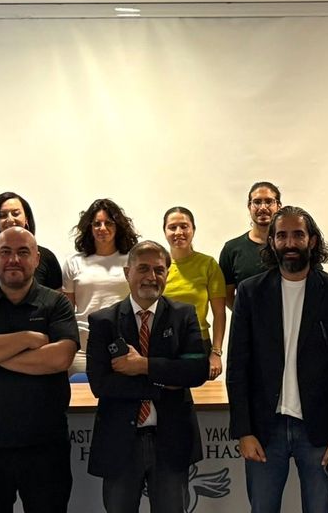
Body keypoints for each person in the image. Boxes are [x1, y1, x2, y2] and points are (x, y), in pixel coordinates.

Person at [226, 206, 328, 513]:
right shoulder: (250, 293)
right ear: (271, 242)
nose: (290, 243)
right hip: (264, 430)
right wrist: (244, 431)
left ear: (312, 240)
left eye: (298, 235)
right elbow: (237, 368)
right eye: (282, 236)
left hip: (318, 431)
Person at [0, 226, 79, 513]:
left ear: (37, 258)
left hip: (46, 447)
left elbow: (60, 358)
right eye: (5, 252)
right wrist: (26, 339)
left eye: (23, 252)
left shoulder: (56, 303)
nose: (14, 260)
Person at [86, 240, 211, 513]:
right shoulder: (103, 321)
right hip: (120, 444)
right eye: (143, 268)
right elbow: (101, 384)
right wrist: (164, 382)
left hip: (172, 442)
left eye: (159, 270)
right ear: (127, 272)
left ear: (167, 273)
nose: (151, 276)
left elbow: (196, 371)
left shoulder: (184, 315)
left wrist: (143, 366)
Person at [62, 198, 140, 375]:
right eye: (97, 224)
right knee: (81, 391)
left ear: (118, 226)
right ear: (89, 228)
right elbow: (67, 311)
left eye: (108, 223)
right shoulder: (74, 262)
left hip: (124, 344)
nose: (102, 228)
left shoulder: (132, 260)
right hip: (83, 347)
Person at [162, 206, 227, 379]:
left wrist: (216, 353)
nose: (178, 232)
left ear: (193, 229)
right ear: (164, 231)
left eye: (184, 226)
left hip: (197, 343)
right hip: (163, 343)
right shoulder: (158, 266)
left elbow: (219, 313)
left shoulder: (208, 265)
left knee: (198, 394)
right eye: (172, 227)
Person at [0, 191, 64, 295]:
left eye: (16, 214)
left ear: (26, 219)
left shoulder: (47, 257)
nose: (10, 219)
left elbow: (57, 301)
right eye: (3, 215)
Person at [219, 181, 281, 308]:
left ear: (278, 206)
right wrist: (246, 315)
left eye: (269, 201)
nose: (263, 207)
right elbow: (227, 295)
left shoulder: (290, 247)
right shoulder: (231, 249)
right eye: (257, 202)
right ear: (249, 206)